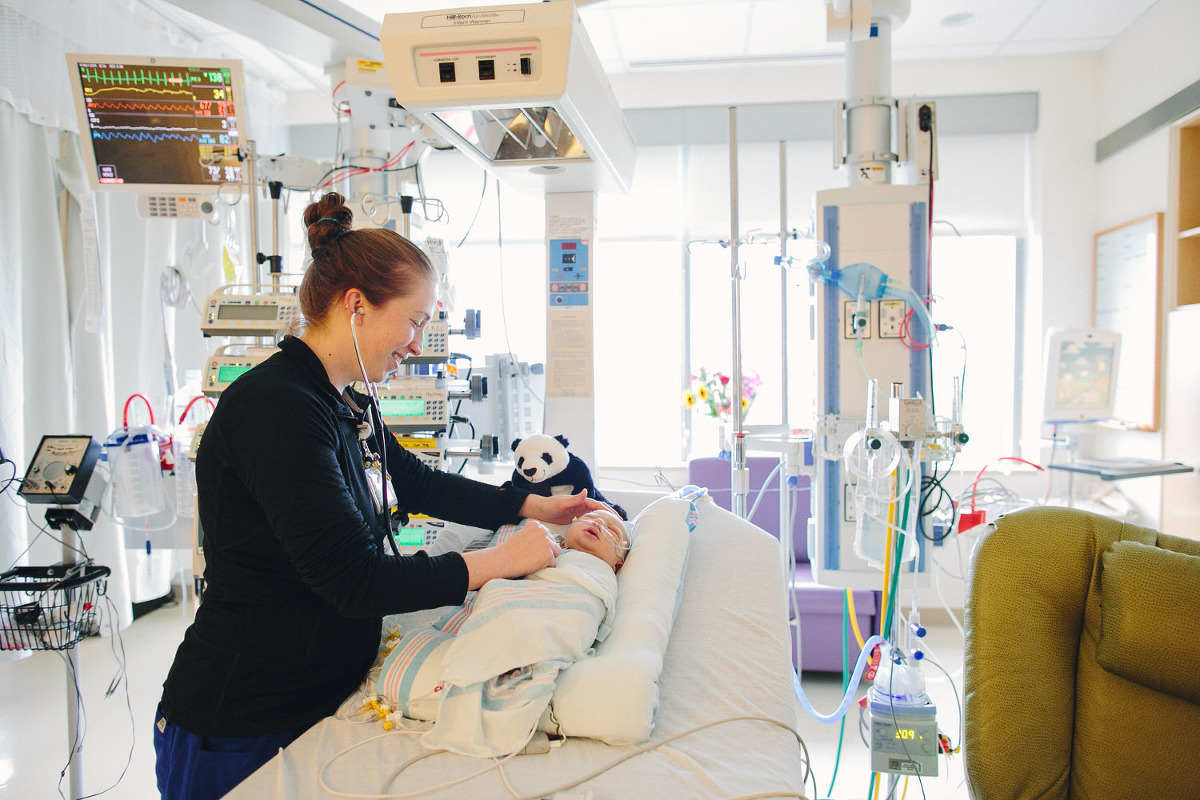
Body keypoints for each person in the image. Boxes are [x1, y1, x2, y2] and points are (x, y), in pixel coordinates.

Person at [154, 192, 605, 800]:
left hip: (313, 700)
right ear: (357, 306)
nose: (417, 342)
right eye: (415, 320)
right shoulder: (278, 410)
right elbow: (355, 582)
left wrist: (531, 506)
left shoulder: (341, 399)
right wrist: (500, 563)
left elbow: (416, 483)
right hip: (240, 722)